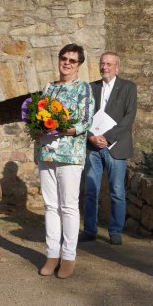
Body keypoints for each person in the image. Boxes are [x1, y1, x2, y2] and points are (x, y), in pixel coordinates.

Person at [35, 44, 94, 279]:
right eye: (64, 58)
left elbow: (86, 121)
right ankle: (52, 253)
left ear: (78, 65)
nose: (67, 63)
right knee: (50, 206)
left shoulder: (83, 88)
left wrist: (67, 129)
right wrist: (37, 128)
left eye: (72, 60)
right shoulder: (49, 87)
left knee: (68, 206)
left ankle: (68, 256)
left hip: (69, 154)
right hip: (47, 153)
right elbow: (39, 115)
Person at [81, 52, 137, 245]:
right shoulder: (90, 88)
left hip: (116, 146)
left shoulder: (128, 88)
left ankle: (115, 231)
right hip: (93, 146)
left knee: (117, 191)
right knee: (90, 191)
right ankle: (89, 230)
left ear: (117, 67)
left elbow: (129, 117)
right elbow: (83, 117)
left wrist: (107, 137)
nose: (104, 67)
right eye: (102, 64)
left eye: (109, 64)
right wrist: (91, 137)